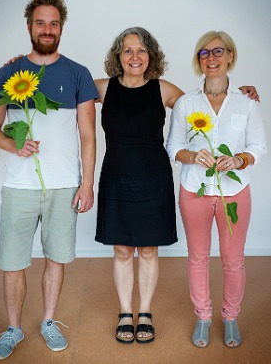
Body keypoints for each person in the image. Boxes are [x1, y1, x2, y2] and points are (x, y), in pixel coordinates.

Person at [93, 27, 259, 345]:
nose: (135, 56)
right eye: (127, 50)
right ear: (118, 56)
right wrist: (22, 66)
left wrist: (241, 93)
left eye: (141, 50)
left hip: (154, 178)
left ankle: (145, 313)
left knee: (150, 250)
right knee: (123, 249)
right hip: (116, 177)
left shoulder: (164, 90)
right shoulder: (102, 89)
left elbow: (209, 108)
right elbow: (58, 89)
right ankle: (125, 313)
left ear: (151, 55)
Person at [0, 0, 97, 360]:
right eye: (40, 23)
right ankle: (13, 328)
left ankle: (48, 321)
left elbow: (87, 134)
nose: (47, 29)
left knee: (56, 258)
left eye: (53, 23)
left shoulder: (78, 73)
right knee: (13, 262)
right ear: (29, 26)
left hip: (64, 185)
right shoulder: (9, 72)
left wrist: (87, 183)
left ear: (61, 27)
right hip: (19, 186)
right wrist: (14, 146)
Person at [166, 31, 267, 349]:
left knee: (233, 259)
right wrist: (193, 157)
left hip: (234, 193)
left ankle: (231, 318)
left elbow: (259, 147)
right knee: (197, 257)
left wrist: (239, 159)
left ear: (230, 56)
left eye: (217, 52)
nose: (211, 58)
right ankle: (203, 317)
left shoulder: (246, 102)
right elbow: (174, 147)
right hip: (194, 189)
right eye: (204, 54)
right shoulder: (186, 103)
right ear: (199, 61)